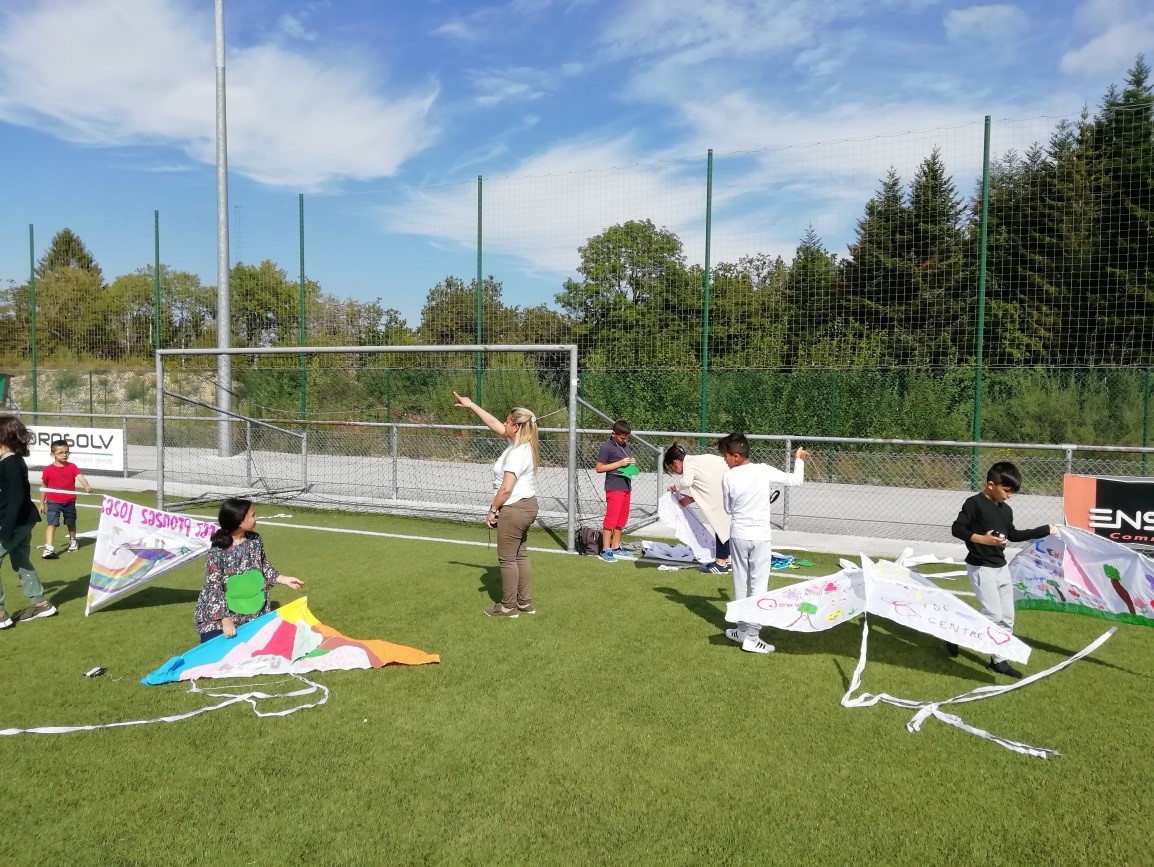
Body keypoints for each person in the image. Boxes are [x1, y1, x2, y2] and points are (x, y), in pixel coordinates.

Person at [950, 461, 1058, 679]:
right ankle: (954, 633)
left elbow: (1014, 535)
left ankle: (998, 661)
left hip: (1001, 569)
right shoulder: (974, 504)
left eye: (1013, 492)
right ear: (991, 484)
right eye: (1007, 491)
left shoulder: (1005, 510)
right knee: (993, 614)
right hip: (981, 568)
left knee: (1007, 618)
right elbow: (957, 529)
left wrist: (1045, 529)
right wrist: (983, 539)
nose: (1010, 496)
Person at [453, 392, 539, 618]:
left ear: (517, 427)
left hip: (513, 508)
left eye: (508, 421)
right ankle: (525, 602)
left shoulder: (517, 453)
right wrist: (472, 406)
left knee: (507, 558)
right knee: (520, 554)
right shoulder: (520, 443)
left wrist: (492, 510)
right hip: (526, 506)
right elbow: (494, 424)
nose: (503, 424)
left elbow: (506, 488)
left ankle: (509, 607)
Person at [721, 434, 809, 654]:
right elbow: (795, 480)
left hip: (740, 534)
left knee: (741, 581)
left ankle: (746, 631)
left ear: (737, 456)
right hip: (759, 535)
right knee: (759, 585)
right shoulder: (762, 469)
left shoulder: (729, 477)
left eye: (725, 456)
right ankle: (749, 635)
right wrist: (798, 459)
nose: (724, 460)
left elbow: (728, 508)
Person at [193, 498, 304, 642]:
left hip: (251, 610)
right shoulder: (217, 551)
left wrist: (283, 579)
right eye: (252, 515)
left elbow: (262, 565)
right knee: (217, 652)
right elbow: (213, 587)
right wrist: (224, 618)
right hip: (220, 613)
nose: (256, 518)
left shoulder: (255, 540)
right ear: (239, 521)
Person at [0, 415, 56, 628]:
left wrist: (5, 531)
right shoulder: (7, 461)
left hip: (16, 522)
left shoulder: (12, 463)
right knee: (20, 560)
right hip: (22, 521)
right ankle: (41, 603)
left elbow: (17, 499)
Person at [663, 440, 732, 574]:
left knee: (721, 525)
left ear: (676, 462)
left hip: (726, 492)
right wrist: (690, 499)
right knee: (723, 526)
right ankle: (725, 560)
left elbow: (687, 481)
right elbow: (706, 484)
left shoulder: (690, 465)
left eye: (672, 468)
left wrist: (674, 486)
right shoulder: (696, 461)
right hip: (727, 489)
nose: (674, 471)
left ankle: (721, 562)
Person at [39, 439, 93, 558]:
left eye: (66, 452)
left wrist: (87, 486)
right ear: (53, 454)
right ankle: (49, 547)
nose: (64, 455)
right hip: (53, 502)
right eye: (61, 453)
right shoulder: (48, 469)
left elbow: (80, 477)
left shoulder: (72, 467)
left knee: (71, 522)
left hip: (69, 502)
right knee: (52, 523)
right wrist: (42, 503)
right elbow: (44, 487)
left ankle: (73, 541)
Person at [595, 419, 636, 562]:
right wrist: (619, 463)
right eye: (622, 437)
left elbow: (625, 464)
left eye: (626, 437)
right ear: (613, 434)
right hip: (614, 487)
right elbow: (599, 468)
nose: (624, 440)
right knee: (611, 518)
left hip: (626, 486)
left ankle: (616, 547)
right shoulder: (607, 447)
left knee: (621, 519)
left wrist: (631, 463)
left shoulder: (625, 446)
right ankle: (606, 549)